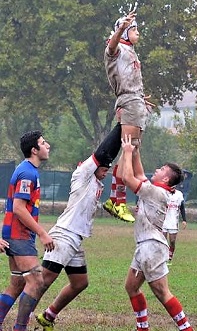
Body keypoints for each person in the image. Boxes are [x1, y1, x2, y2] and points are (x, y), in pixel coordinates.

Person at [34, 123, 122, 331]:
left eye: (108, 168)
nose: (106, 170)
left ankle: (48, 316)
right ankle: (19, 318)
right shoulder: (82, 174)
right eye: (103, 167)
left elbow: (108, 154)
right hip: (64, 236)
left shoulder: (97, 183)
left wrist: (125, 134)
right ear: (92, 165)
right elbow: (102, 151)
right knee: (42, 282)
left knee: (80, 282)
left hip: (76, 239)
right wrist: (121, 125)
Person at [119, 134, 193, 331]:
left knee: (162, 292)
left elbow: (128, 177)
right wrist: (136, 151)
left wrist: (126, 152)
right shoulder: (156, 188)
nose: (157, 169)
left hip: (152, 246)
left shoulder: (157, 192)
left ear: (166, 178)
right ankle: (142, 328)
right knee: (131, 287)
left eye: (161, 169)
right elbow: (141, 174)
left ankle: (186, 329)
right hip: (145, 246)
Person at [103, 8, 155, 223]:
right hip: (129, 101)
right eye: (135, 29)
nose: (138, 32)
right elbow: (111, 47)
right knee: (129, 149)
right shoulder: (117, 49)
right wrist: (122, 27)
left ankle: (116, 199)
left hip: (136, 101)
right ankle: (117, 200)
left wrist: (141, 99)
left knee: (132, 150)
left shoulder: (132, 51)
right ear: (124, 32)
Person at [0, 130, 54, 331]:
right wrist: (42, 232)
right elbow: (19, 208)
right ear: (34, 150)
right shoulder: (27, 172)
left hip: (16, 235)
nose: (47, 145)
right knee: (36, 281)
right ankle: (19, 328)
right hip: (19, 236)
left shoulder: (29, 170)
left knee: (17, 284)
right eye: (43, 142)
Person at [162, 189, 187, 265]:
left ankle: (170, 257)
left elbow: (182, 207)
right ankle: (163, 258)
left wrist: (184, 220)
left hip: (173, 222)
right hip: (164, 221)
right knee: (163, 241)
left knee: (172, 241)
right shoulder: (164, 192)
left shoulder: (179, 194)